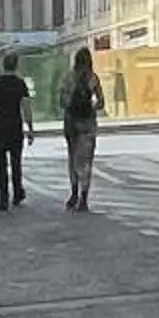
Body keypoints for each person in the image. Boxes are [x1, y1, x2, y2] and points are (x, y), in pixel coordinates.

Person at [0, 53, 34, 209]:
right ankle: (18, 192)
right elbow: (25, 107)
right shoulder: (20, 84)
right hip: (14, 126)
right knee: (16, 162)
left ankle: (3, 198)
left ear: (3, 65)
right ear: (16, 65)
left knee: (1, 164)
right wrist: (30, 128)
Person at [62, 47, 105, 212]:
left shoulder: (68, 78)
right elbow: (101, 102)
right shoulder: (93, 79)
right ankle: (84, 198)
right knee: (86, 161)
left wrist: (72, 106)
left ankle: (73, 193)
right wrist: (91, 107)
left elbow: (62, 101)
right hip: (88, 125)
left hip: (71, 123)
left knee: (73, 159)